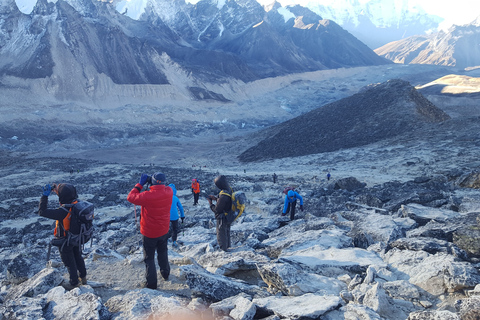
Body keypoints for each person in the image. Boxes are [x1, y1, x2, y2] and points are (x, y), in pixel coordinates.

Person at [127, 172, 173, 289]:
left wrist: (140, 184)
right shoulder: (169, 191)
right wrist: (153, 183)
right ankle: (165, 273)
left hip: (149, 232)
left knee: (149, 258)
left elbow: (130, 197)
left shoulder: (147, 196)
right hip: (163, 230)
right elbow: (161, 188)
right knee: (163, 252)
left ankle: (151, 284)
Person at [38, 183, 87, 290]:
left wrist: (45, 196)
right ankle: (83, 278)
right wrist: (58, 192)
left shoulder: (62, 212)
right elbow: (66, 197)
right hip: (77, 237)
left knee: (69, 262)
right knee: (78, 257)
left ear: (62, 196)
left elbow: (42, 211)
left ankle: (73, 283)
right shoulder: (78, 204)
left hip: (66, 241)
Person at [207, 175, 232, 251]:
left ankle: (223, 250)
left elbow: (217, 210)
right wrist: (216, 198)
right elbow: (225, 202)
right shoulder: (229, 190)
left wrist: (211, 203)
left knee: (221, 234)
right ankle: (228, 247)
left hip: (222, 218)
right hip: (228, 215)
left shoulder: (223, 196)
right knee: (227, 232)